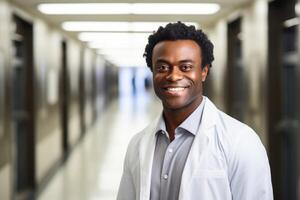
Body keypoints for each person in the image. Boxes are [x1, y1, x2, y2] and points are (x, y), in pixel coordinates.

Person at [117, 21, 273, 200]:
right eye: (162, 67)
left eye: (186, 67)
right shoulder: (137, 144)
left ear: (204, 72)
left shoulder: (241, 142)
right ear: (152, 72)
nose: (173, 76)